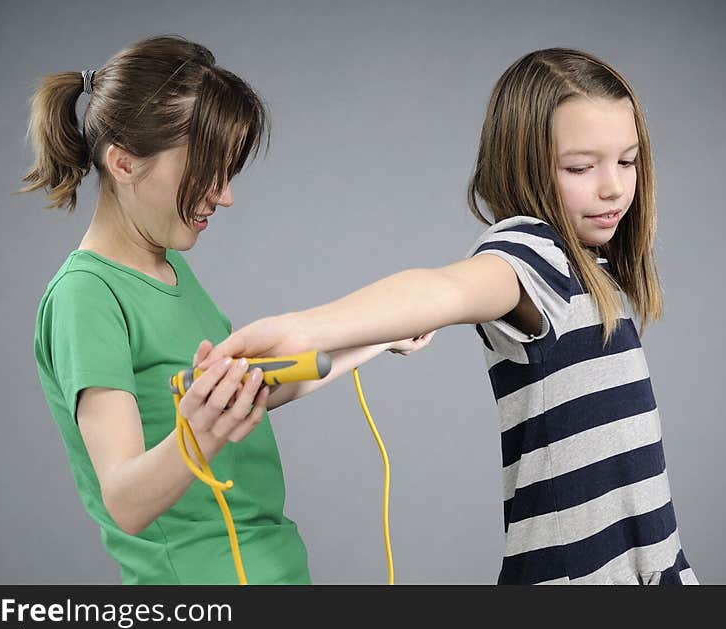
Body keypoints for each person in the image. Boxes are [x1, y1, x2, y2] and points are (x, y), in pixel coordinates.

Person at [202, 48, 699, 585]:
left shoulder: (593, 269)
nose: (614, 186)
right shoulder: (534, 251)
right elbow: (443, 288)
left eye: (627, 160)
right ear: (524, 163)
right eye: (581, 167)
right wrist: (306, 328)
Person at [24, 35, 432, 584]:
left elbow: (247, 393)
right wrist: (202, 430)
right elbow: (123, 500)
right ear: (123, 163)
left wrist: (380, 337)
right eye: (207, 170)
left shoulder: (169, 269)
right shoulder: (86, 295)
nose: (225, 195)